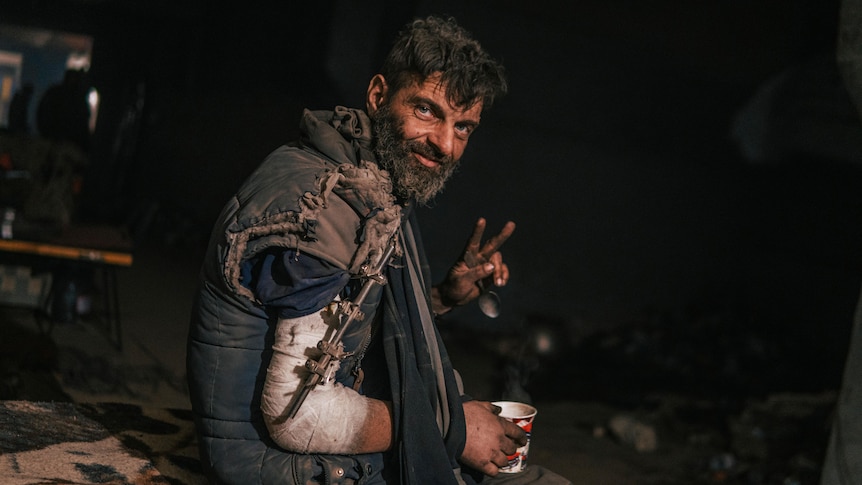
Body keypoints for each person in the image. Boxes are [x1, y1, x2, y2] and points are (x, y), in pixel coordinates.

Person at [186, 15, 571, 484]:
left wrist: (442, 298)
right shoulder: (330, 208)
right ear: (377, 95)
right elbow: (297, 417)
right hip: (270, 463)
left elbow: (345, 320)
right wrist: (451, 428)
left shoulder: (359, 173)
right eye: (427, 110)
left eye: (464, 126)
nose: (445, 144)